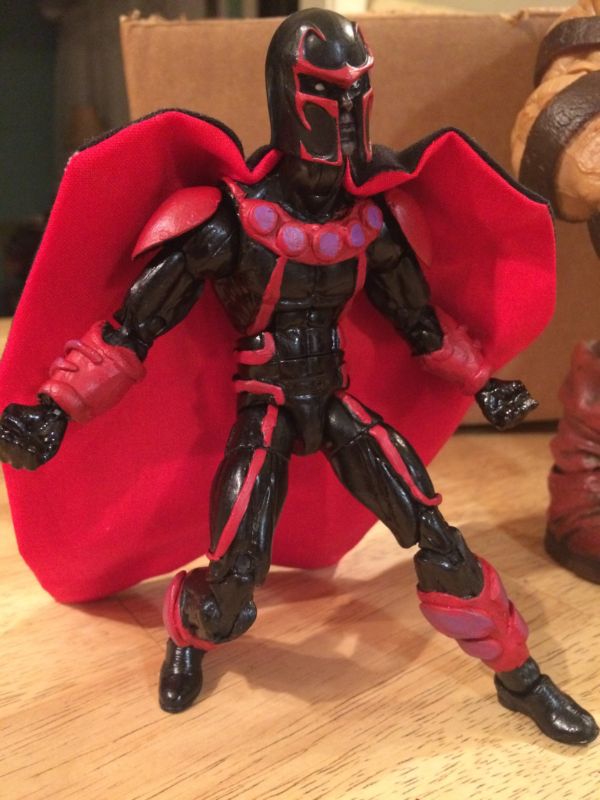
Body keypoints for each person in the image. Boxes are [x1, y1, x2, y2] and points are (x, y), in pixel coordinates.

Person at [0, 9, 596, 744]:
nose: (346, 113)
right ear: (289, 97)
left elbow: (420, 322)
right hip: (266, 410)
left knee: (439, 537)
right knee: (234, 579)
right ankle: (189, 628)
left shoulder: (373, 221)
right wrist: (55, 408)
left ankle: (520, 677)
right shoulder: (228, 221)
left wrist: (483, 381)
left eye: (357, 92)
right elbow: (134, 328)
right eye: (327, 93)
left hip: (337, 405)